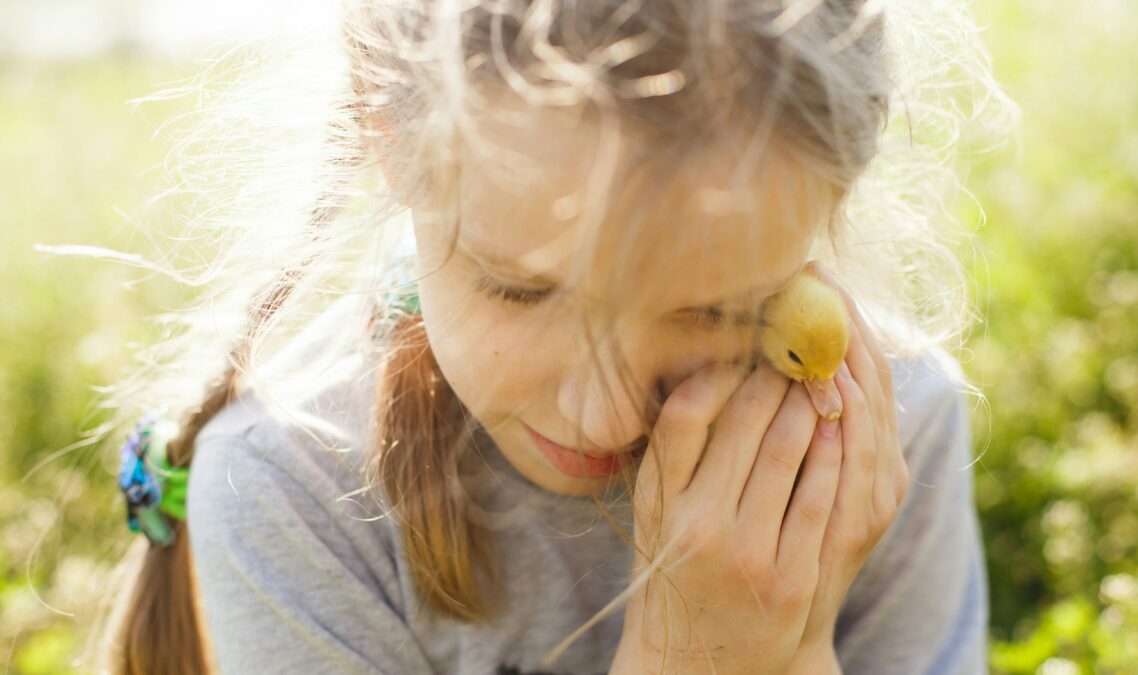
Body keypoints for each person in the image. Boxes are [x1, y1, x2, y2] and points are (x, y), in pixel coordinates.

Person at [93, 0, 1015, 673]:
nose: (604, 413)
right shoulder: (293, 493)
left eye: (716, 308)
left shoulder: (879, 442)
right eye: (518, 289)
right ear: (388, 143)